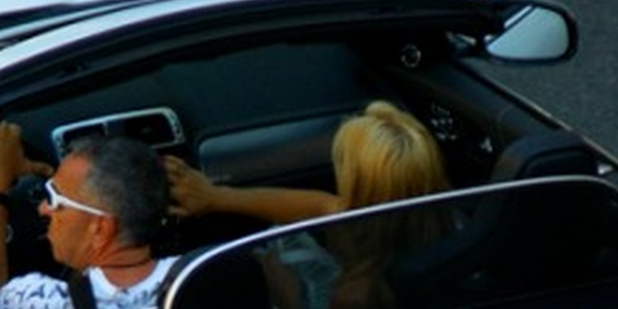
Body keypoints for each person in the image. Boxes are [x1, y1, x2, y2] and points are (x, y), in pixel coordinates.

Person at [0, 122, 176, 309]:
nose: (43, 208)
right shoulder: (200, 273)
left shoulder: (48, 307)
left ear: (100, 229)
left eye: (54, 198)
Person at [166, 99, 448, 224]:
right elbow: (323, 205)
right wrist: (218, 198)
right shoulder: (449, 222)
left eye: (343, 163)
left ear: (363, 191)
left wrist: (285, 291)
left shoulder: (359, 295)